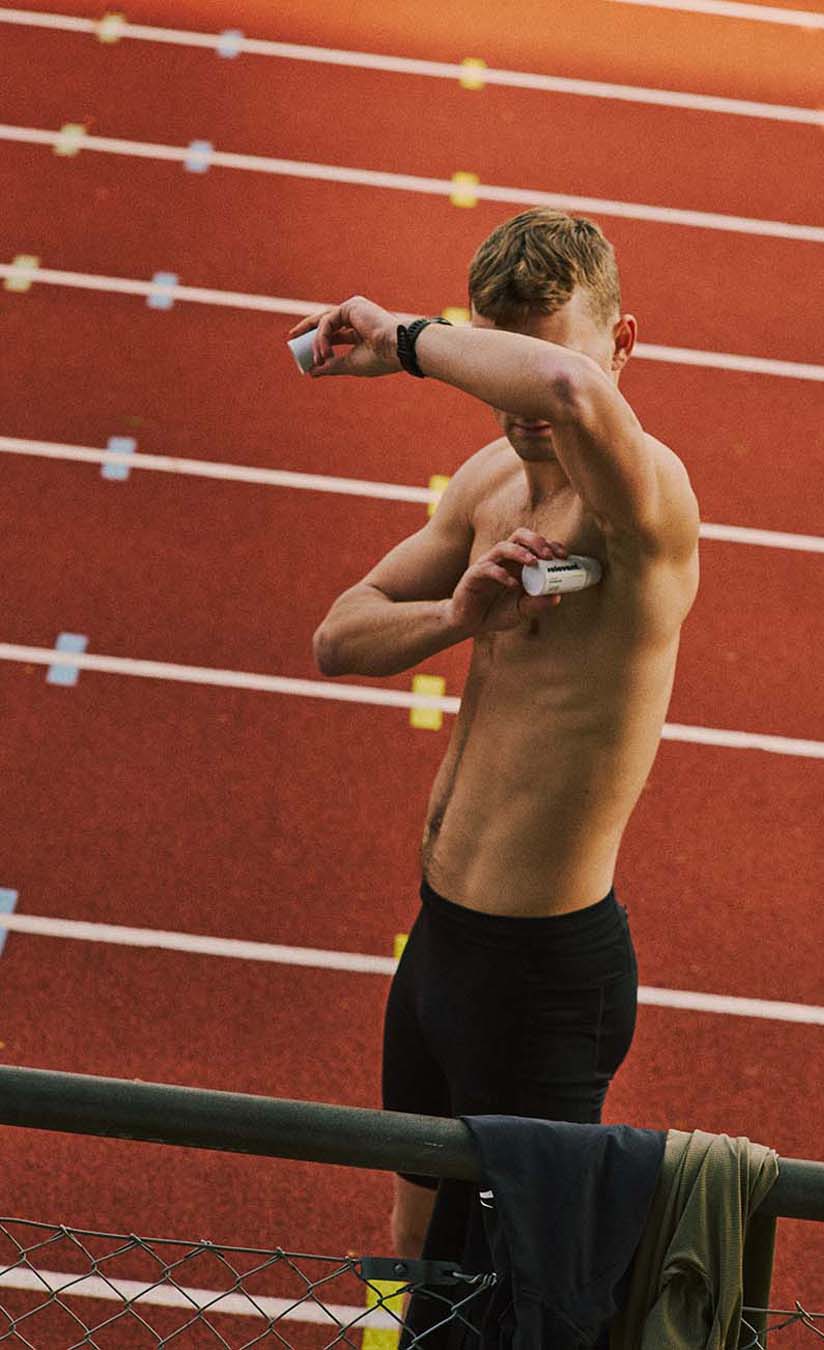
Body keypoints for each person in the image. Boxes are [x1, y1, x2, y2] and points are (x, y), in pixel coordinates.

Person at [294, 207, 700, 1266]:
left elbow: (567, 394)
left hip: (543, 976)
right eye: (498, 349)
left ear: (623, 348)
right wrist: (456, 619)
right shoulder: (487, 486)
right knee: (414, 1236)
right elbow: (338, 638)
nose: (517, 392)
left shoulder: (643, 503)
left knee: (521, 1295)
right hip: (443, 946)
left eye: (535, 354)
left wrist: (402, 341)